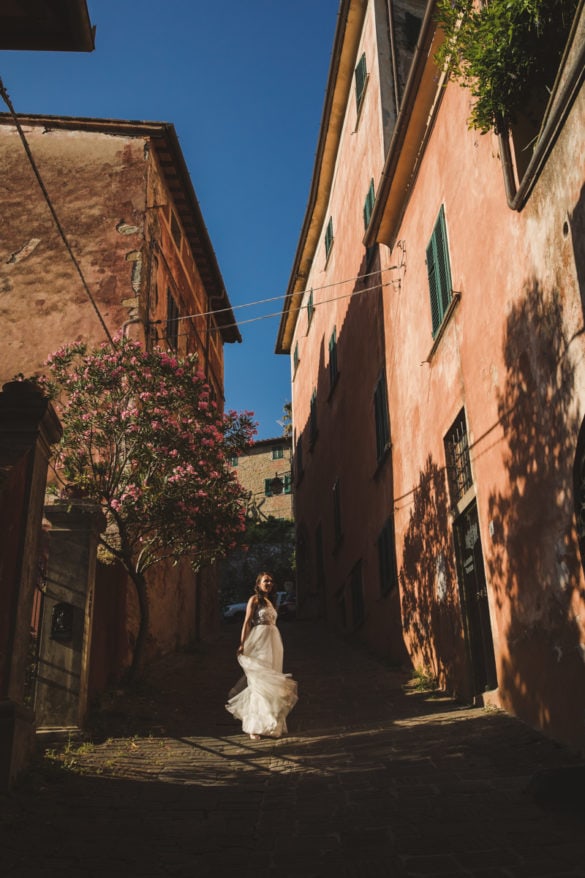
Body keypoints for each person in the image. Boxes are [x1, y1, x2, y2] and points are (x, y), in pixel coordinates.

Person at [225, 572, 298, 740]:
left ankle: (271, 724)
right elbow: (247, 622)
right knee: (259, 682)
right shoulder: (254, 600)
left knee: (272, 682)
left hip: (274, 642)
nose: (269, 583)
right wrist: (243, 643)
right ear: (258, 584)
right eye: (266, 581)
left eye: (271, 581)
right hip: (259, 641)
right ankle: (254, 726)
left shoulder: (271, 602)